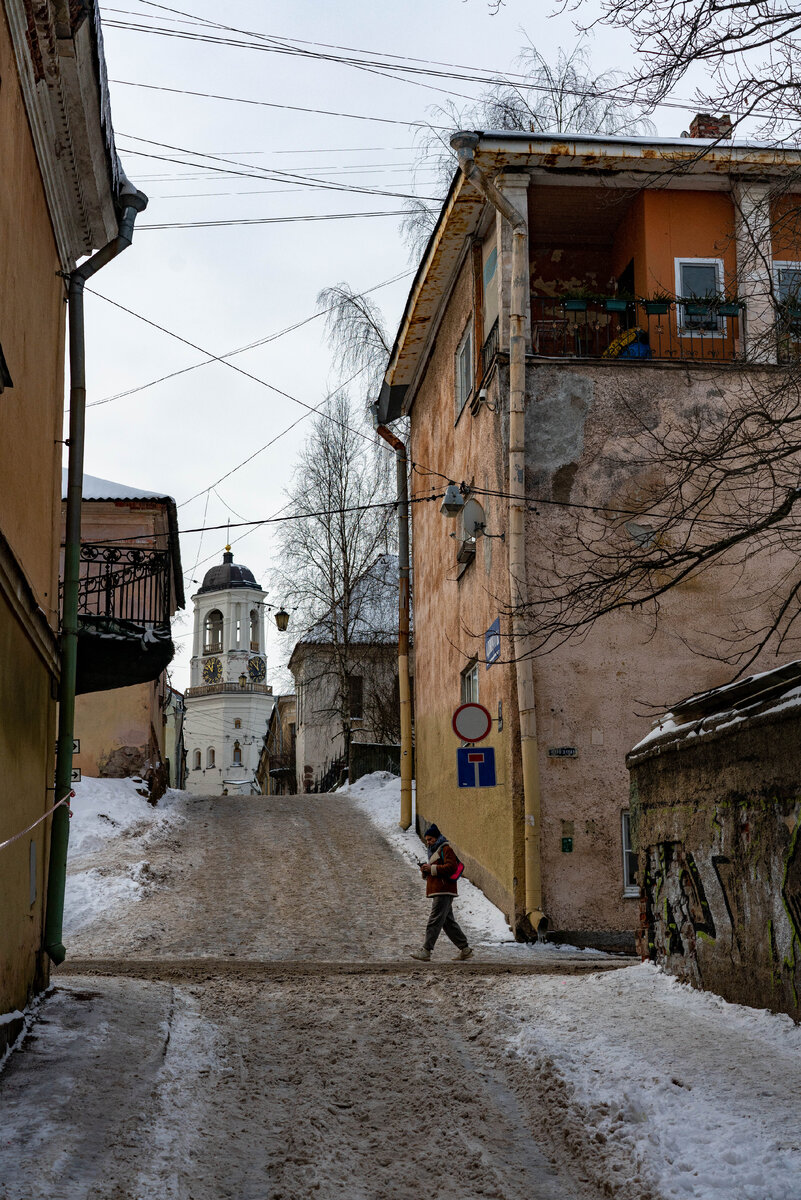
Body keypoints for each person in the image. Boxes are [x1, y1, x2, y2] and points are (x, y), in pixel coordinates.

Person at [410, 824, 473, 961]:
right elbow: (437, 869)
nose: (428, 842)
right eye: (427, 840)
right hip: (440, 889)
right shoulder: (435, 851)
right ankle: (465, 949)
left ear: (437, 838)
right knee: (447, 922)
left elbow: (451, 867)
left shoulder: (445, 848)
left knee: (434, 920)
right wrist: (426, 870)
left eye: (430, 839)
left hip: (444, 890)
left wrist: (431, 868)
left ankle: (426, 950)